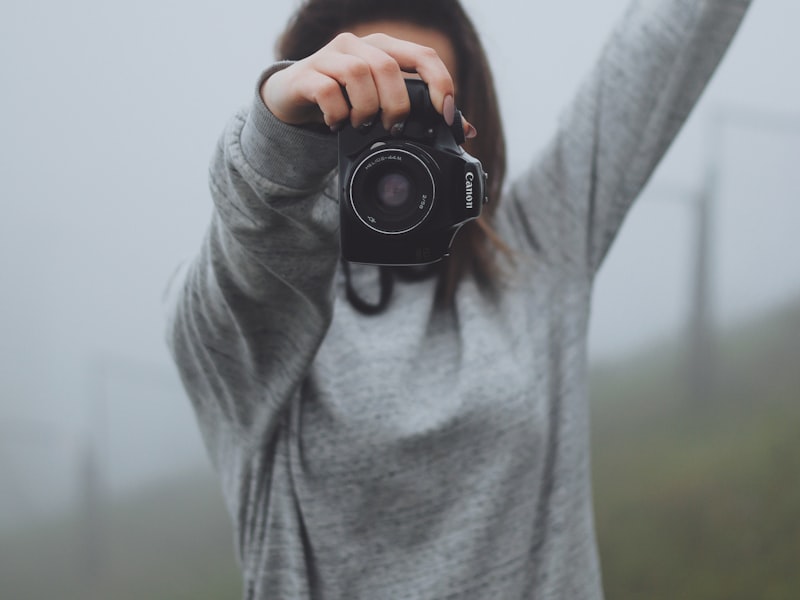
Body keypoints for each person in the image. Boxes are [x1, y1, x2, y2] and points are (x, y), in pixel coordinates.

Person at [164, 0, 751, 598]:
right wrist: (274, 128)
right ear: (312, 118)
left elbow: (669, 35)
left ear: (470, 126)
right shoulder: (246, 319)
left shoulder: (537, 248)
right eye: (362, 103)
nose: (393, 139)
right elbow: (256, 237)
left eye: (422, 107)